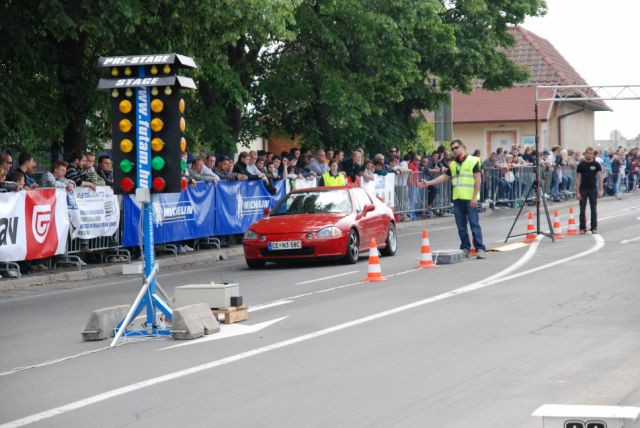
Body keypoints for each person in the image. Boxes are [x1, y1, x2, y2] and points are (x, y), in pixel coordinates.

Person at [419, 139, 486, 259]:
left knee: (474, 224)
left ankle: (480, 248)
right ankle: (465, 248)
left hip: (470, 199)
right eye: (452, 149)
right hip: (457, 199)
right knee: (461, 227)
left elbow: (478, 180)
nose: (454, 150)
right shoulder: (454, 164)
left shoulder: (473, 161)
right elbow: (444, 177)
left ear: (463, 147)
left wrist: (475, 197)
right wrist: (428, 183)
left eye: (456, 148)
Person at [576, 146, 603, 234]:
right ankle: (582, 228)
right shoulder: (581, 164)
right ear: (585, 153)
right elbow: (578, 178)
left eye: (591, 153)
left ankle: (594, 227)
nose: (590, 155)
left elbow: (599, 177)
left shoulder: (596, 164)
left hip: (593, 189)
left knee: (593, 209)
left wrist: (601, 190)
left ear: (593, 154)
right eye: (588, 153)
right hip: (583, 189)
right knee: (582, 210)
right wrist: (577, 192)